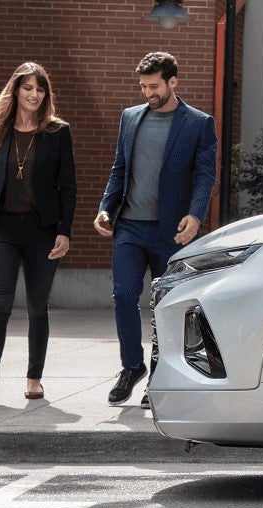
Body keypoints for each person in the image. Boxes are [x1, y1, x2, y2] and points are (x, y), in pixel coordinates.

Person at [94, 51, 217, 408]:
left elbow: (205, 175)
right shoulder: (130, 118)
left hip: (171, 232)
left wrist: (195, 216)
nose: (148, 92)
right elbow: (120, 169)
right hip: (130, 226)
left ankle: (158, 375)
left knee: (165, 307)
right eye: (144, 86)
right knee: (123, 297)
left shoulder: (197, 123)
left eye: (154, 85)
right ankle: (131, 366)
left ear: (172, 82)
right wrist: (105, 208)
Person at [0, 62, 77, 405]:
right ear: (16, 91)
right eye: (28, 88)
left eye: (40, 90)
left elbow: (68, 187)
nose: (34, 95)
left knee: (38, 306)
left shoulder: (57, 132)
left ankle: (34, 378)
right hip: (3, 231)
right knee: (0, 304)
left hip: (42, 231)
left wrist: (64, 232)